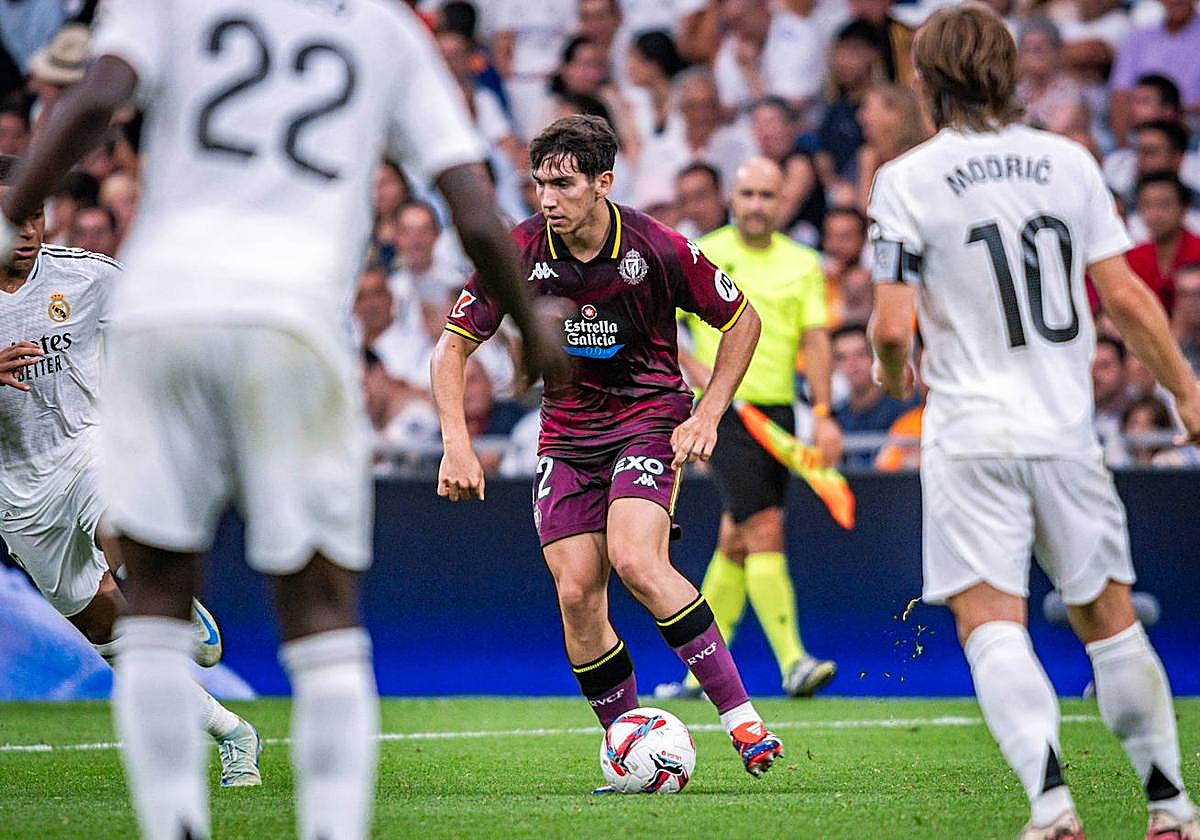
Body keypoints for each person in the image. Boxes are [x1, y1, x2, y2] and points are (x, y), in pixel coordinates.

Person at [0, 3, 561, 839]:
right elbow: (474, 210)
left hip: (164, 309)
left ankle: (174, 824)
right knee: (321, 611)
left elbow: (93, 100)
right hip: (292, 320)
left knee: (153, 605)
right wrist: (531, 328)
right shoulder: (385, 30)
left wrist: (10, 213)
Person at [867, 6, 1200, 839]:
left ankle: (1052, 807)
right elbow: (1126, 297)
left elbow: (892, 328)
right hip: (1065, 430)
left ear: (925, 80)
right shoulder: (1070, 162)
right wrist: (1187, 393)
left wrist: (892, 374)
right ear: (1007, 73)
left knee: (991, 623)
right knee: (1110, 622)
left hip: (971, 434)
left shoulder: (906, 179)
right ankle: (1170, 806)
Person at [432, 115, 785, 787]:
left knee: (635, 559)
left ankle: (744, 723)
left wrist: (709, 413)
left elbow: (743, 320)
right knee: (575, 593)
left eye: (563, 185)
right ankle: (629, 747)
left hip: (648, 419)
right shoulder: (518, 252)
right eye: (540, 185)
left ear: (603, 183)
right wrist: (457, 444)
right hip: (567, 437)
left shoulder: (656, 247)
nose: (548, 199)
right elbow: (451, 349)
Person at [0, 154, 259, 788]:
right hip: (17, 492)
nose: (28, 230)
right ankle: (233, 733)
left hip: (89, 448)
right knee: (108, 634)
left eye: (36, 214)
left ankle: (158, 591)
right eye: (13, 217)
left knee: (116, 511)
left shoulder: (87, 278)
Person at [656, 156, 840, 701]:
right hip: (724, 412)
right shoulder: (705, 252)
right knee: (763, 526)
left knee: (736, 541)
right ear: (731, 199)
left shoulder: (803, 263)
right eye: (748, 194)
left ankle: (696, 675)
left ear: (783, 201)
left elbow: (815, 340)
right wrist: (698, 374)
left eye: (767, 195)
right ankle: (793, 661)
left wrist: (823, 413)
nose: (757, 205)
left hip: (778, 416)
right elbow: (662, 324)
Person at [1126, 172, 1200, 314]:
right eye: (1147, 205)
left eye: (1164, 205)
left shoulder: (1198, 249)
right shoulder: (1133, 257)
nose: (1155, 214)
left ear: (1184, 208)